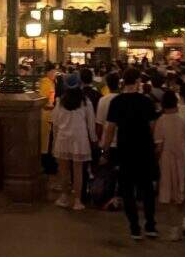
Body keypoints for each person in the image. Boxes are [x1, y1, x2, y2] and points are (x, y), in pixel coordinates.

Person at [102, 68, 159, 240]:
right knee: (147, 188)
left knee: (127, 189)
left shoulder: (117, 102)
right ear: (137, 82)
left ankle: (134, 227)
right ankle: (150, 225)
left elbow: (110, 128)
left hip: (125, 148)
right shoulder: (146, 101)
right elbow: (153, 126)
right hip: (144, 148)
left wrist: (105, 150)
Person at [153, 89, 185, 240]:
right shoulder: (184, 120)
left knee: (170, 194)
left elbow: (159, 146)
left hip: (166, 160)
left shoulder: (161, 121)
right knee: (184, 191)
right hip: (183, 158)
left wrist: (155, 160)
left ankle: (174, 230)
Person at [51, 75, 96, 211]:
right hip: (80, 138)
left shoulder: (61, 102)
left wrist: (54, 140)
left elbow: (56, 123)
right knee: (78, 171)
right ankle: (77, 200)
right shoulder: (85, 101)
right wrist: (93, 139)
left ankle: (64, 197)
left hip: (63, 138)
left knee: (63, 171)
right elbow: (91, 123)